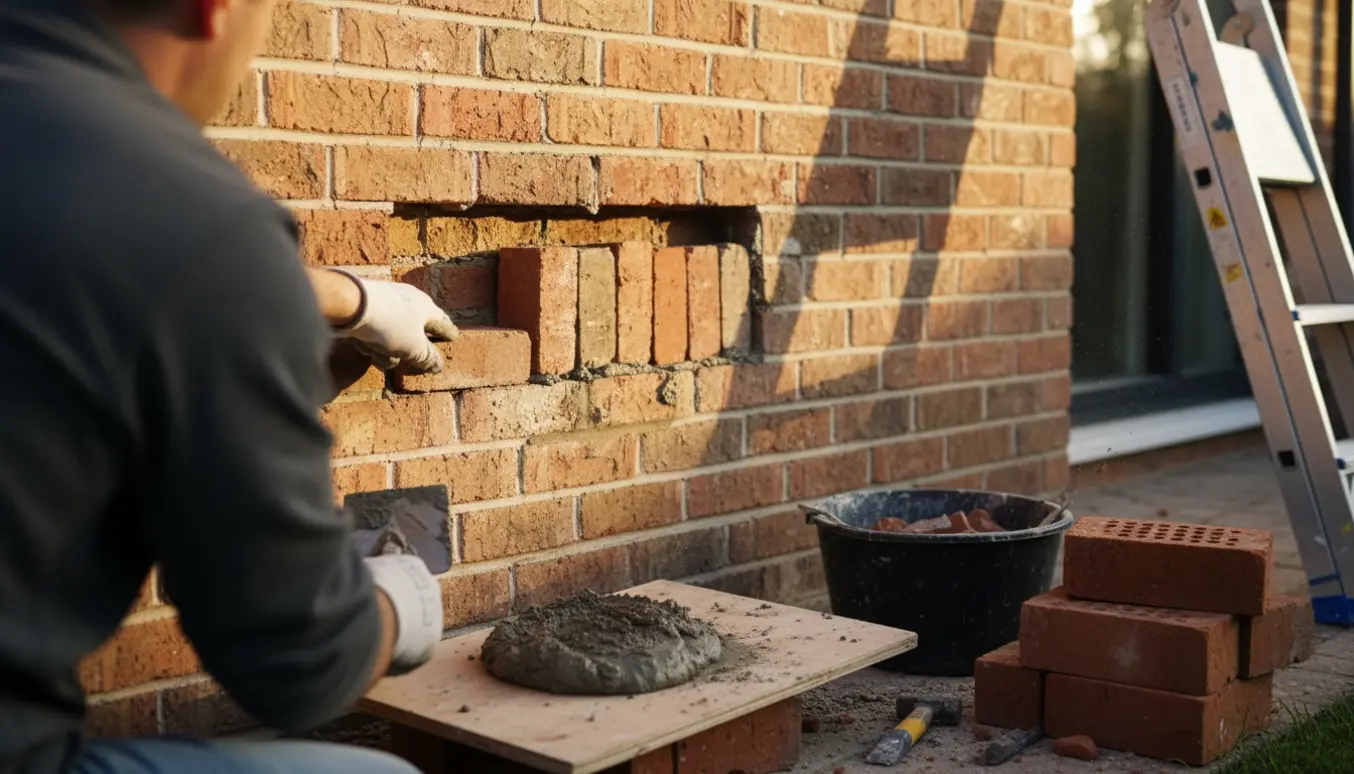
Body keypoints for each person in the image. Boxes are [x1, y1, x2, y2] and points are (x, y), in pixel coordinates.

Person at [0, 0, 452, 772]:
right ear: (216, 9)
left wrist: (354, 299)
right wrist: (403, 600)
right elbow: (297, 663)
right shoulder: (180, 203)